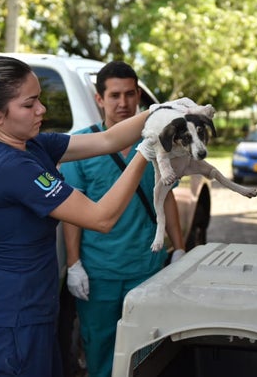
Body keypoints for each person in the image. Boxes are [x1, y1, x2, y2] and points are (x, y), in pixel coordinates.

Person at [0, 56, 167, 377]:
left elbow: (108, 139)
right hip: (9, 321)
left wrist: (159, 113)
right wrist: (146, 150)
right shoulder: (10, 166)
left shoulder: (33, 146)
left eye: (39, 99)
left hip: (32, 314)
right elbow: (101, 218)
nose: (41, 109)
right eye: (29, 104)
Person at [61, 61, 186, 377]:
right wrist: (74, 265)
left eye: (130, 94)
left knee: (147, 352)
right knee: (100, 351)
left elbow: (166, 196)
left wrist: (180, 249)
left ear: (138, 96)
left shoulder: (160, 142)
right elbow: (72, 213)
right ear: (99, 99)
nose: (123, 103)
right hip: (99, 272)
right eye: (114, 95)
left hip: (147, 268)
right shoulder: (82, 145)